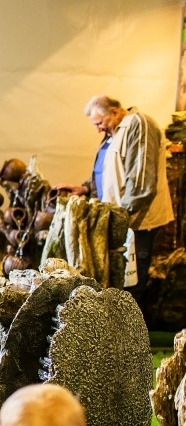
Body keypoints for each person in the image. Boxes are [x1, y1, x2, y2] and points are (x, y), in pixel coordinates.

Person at [55, 95, 174, 304]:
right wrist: (85, 188)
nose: (98, 129)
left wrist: (120, 217)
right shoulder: (115, 132)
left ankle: (131, 323)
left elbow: (141, 181)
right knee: (119, 279)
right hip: (120, 220)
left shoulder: (139, 124)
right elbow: (110, 172)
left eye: (100, 123)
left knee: (132, 282)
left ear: (115, 112)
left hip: (136, 222)